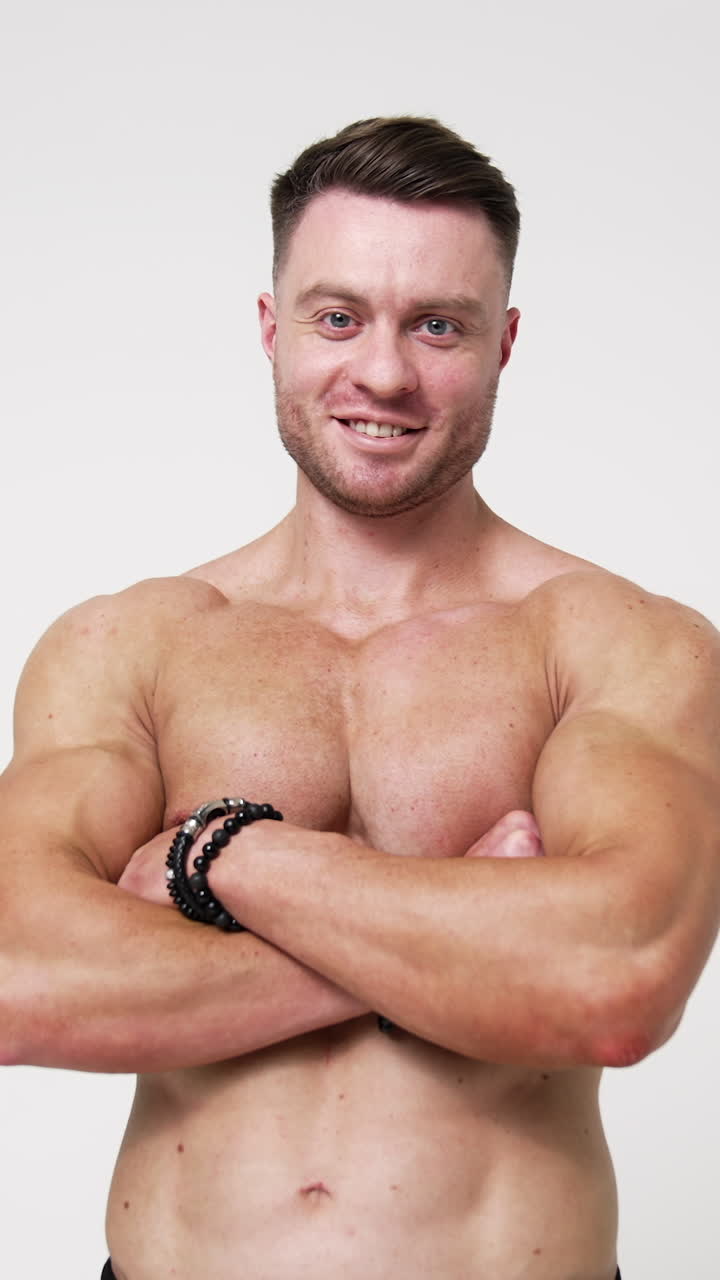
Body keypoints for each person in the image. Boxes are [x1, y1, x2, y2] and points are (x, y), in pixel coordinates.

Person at [3, 116, 719, 1280]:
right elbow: (18, 976)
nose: (383, 371)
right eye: (338, 316)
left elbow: (613, 980)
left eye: (438, 324)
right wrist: (464, 956)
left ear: (505, 343)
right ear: (271, 328)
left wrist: (222, 858)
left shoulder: (617, 639)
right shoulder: (127, 643)